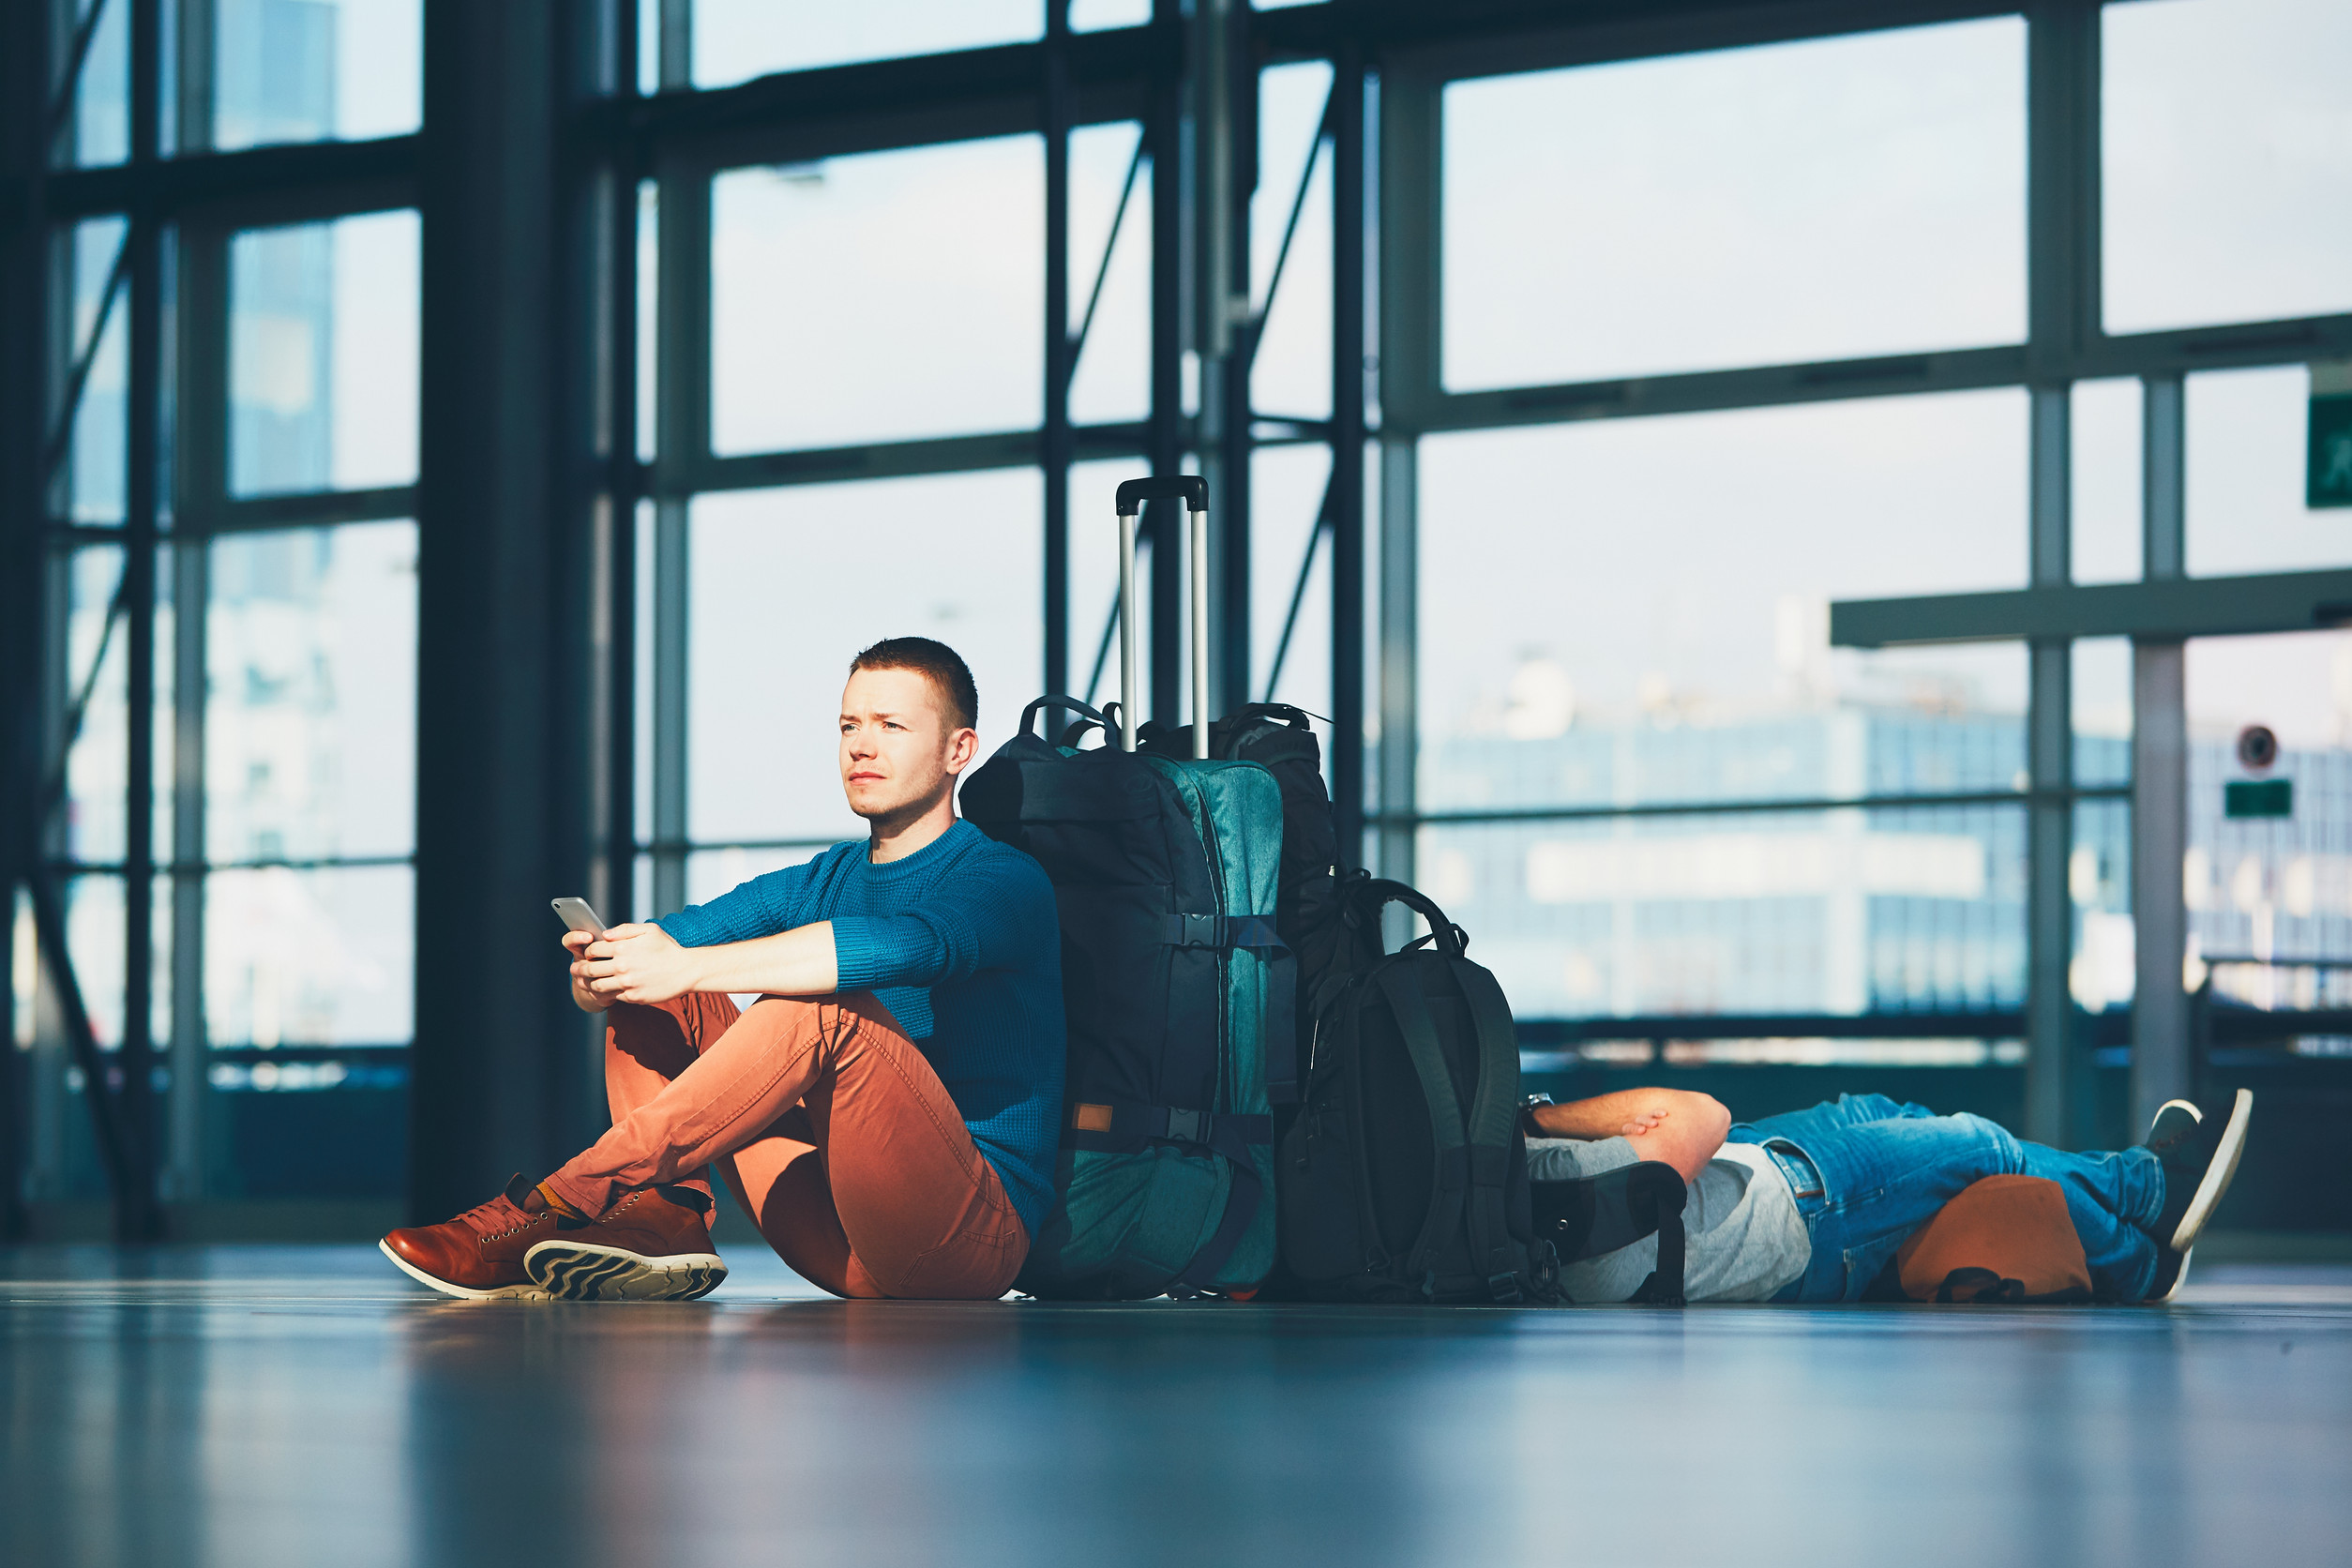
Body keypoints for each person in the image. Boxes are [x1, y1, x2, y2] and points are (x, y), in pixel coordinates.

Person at [380, 637, 1065, 1302]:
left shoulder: (1004, 880)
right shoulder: (825, 877)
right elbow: (667, 941)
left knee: (824, 1005)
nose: (861, 745)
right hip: (837, 1236)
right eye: (849, 724)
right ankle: (660, 1218)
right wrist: (606, 973)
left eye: (891, 725)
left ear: (958, 750)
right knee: (662, 991)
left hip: (966, 1240)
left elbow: (910, 945)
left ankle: (566, 1198)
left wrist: (683, 965)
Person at [1524, 1086, 2254, 1304]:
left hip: (1755, 1161)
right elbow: (1698, 1116)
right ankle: (2145, 1211)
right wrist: (1537, 1117)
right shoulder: (1539, 1182)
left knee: (1883, 1110)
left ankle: (2141, 1228)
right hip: (1804, 1211)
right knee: (1980, 1144)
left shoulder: (1496, 1198)